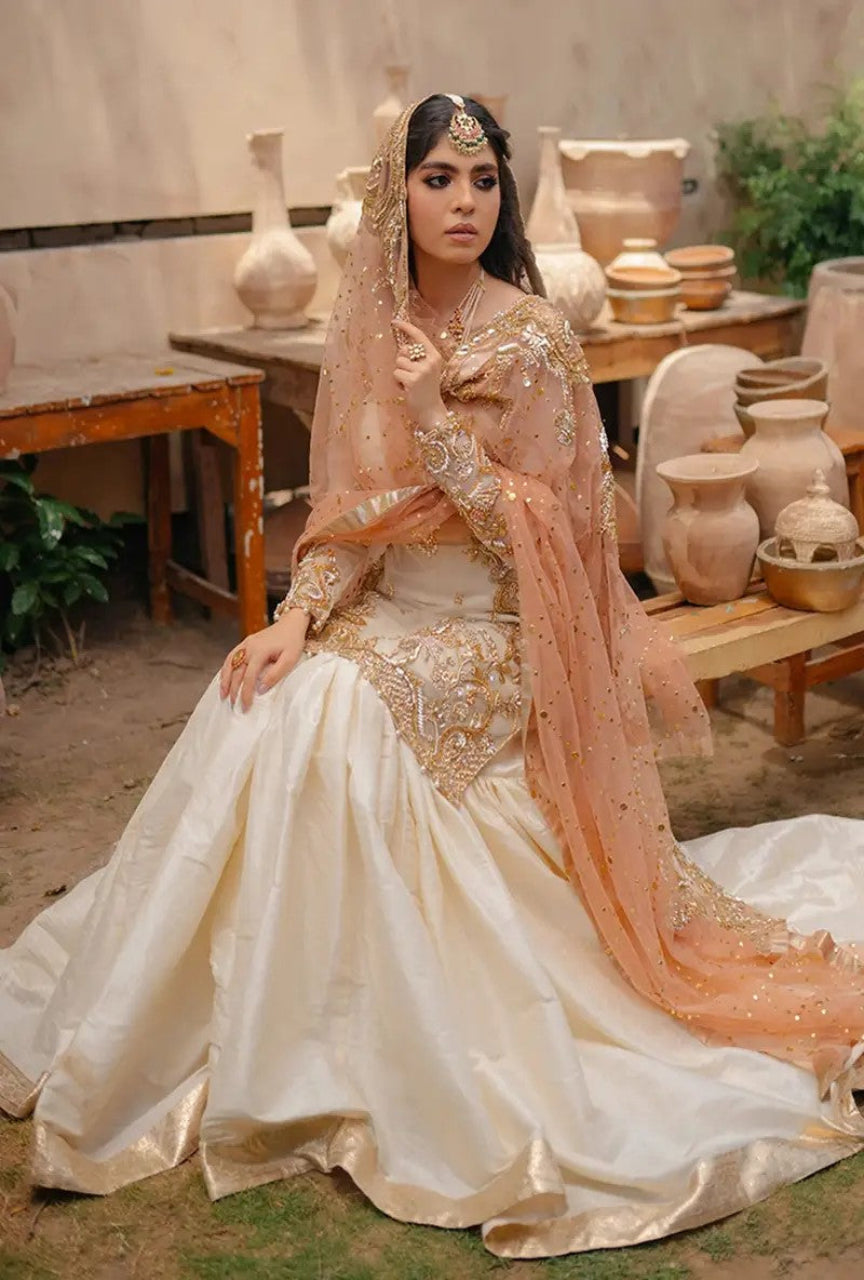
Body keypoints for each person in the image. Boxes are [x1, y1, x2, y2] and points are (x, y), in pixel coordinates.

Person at [2, 94, 864, 1260]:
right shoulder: (374, 320)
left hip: (500, 630)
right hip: (381, 612)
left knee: (344, 725)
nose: (465, 203)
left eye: (483, 181)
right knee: (268, 698)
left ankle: (351, 1038)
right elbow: (353, 516)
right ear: (393, 196)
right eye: (439, 180)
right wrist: (298, 618)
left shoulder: (536, 338)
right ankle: (242, 1023)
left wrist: (436, 421)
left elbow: (549, 540)